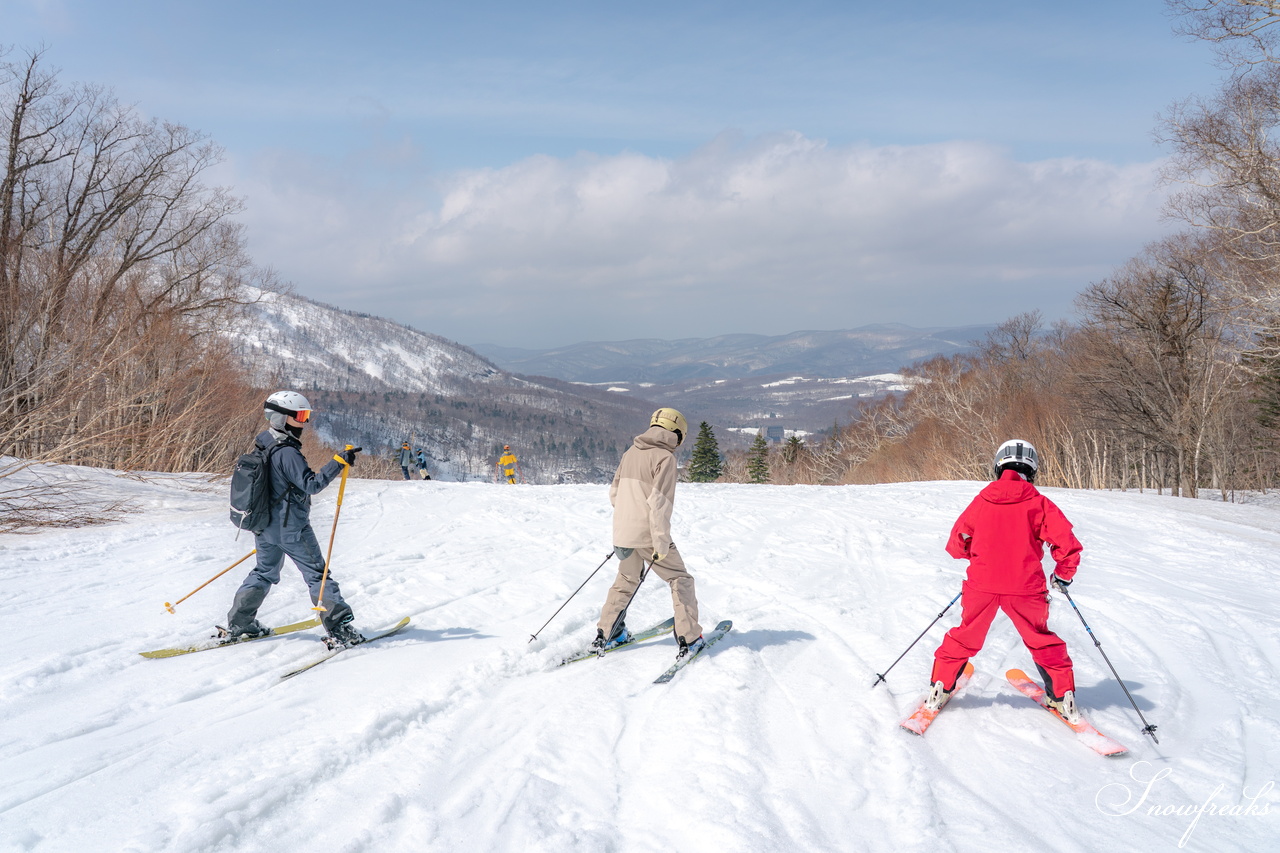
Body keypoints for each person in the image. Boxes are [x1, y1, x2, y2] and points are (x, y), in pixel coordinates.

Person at [927, 439, 1084, 721]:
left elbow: (956, 544)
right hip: (1026, 588)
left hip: (982, 585)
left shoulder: (982, 501)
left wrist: (981, 557)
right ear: (1032, 470)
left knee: (965, 636)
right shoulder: (1039, 503)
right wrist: (1063, 575)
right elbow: (1067, 545)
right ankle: (1063, 698)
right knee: (1041, 640)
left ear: (999, 466)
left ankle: (940, 687)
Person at [225, 391, 364, 645]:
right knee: (317, 575)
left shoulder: (265, 444)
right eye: (300, 416)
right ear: (281, 418)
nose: (304, 422)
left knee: (264, 572)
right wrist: (338, 462)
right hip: (292, 529)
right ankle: (340, 628)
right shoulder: (287, 452)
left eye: (306, 415)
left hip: (264, 526)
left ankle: (241, 622)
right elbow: (312, 485)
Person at [594, 408, 704, 660]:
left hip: (622, 532)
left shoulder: (630, 453)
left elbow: (614, 494)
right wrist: (660, 542)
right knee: (680, 579)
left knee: (626, 580)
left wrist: (627, 524)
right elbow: (659, 505)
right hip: (648, 535)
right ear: (678, 433)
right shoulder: (665, 458)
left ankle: (608, 633)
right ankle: (689, 638)